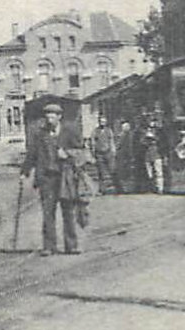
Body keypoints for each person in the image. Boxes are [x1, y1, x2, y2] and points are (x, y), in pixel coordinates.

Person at [20, 102, 87, 254]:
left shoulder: (69, 132)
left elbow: (81, 152)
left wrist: (67, 154)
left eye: (52, 115)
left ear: (59, 117)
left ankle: (72, 245)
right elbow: (32, 154)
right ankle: (49, 246)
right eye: (47, 115)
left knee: (68, 211)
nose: (49, 118)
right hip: (46, 178)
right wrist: (25, 172)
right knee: (48, 213)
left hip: (65, 178)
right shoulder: (40, 134)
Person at [90, 117, 118, 195]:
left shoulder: (109, 130)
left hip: (108, 153)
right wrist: (93, 152)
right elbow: (93, 142)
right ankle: (102, 189)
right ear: (99, 122)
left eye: (104, 121)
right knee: (101, 172)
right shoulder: (95, 131)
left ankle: (117, 187)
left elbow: (111, 141)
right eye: (101, 121)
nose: (103, 123)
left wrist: (113, 150)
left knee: (112, 170)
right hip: (99, 154)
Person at [140, 121, 165, 194]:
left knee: (159, 172)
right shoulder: (145, 134)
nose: (151, 129)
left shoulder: (159, 134)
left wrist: (154, 138)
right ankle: (151, 188)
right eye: (150, 127)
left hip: (157, 155)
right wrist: (147, 139)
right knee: (149, 173)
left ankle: (160, 188)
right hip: (148, 156)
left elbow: (161, 142)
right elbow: (142, 142)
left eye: (153, 127)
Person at [113, 119, 136, 193]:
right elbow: (118, 145)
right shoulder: (121, 135)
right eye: (124, 126)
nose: (126, 128)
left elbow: (131, 145)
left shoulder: (131, 135)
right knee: (122, 172)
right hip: (122, 156)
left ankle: (128, 188)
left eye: (127, 126)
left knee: (128, 172)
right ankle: (123, 188)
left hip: (128, 155)